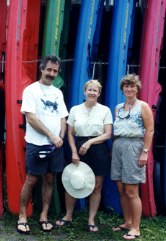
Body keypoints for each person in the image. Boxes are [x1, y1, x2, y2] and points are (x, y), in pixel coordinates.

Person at [17, 55, 68, 234]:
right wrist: (52, 136)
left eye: (55, 71)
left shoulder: (57, 93)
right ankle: (22, 216)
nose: (51, 74)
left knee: (49, 180)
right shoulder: (31, 90)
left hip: (55, 146)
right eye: (49, 70)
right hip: (36, 143)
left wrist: (60, 137)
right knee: (31, 179)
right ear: (41, 68)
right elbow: (31, 118)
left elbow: (63, 117)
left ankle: (44, 216)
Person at [56, 79, 113, 232]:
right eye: (89, 90)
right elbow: (69, 134)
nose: (92, 93)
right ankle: (68, 215)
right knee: (72, 182)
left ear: (99, 93)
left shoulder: (105, 110)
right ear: (84, 91)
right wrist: (74, 151)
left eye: (95, 90)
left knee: (96, 186)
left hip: (99, 149)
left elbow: (108, 134)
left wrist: (90, 142)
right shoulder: (75, 109)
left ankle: (91, 220)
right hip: (79, 147)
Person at [111, 74, 154, 240]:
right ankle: (127, 222)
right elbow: (116, 129)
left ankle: (136, 228)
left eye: (132, 86)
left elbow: (149, 131)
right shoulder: (118, 107)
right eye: (126, 86)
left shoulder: (143, 106)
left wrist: (144, 152)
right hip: (118, 146)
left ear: (137, 89)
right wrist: (113, 149)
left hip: (134, 146)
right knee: (121, 189)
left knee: (131, 191)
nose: (129, 89)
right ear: (122, 89)